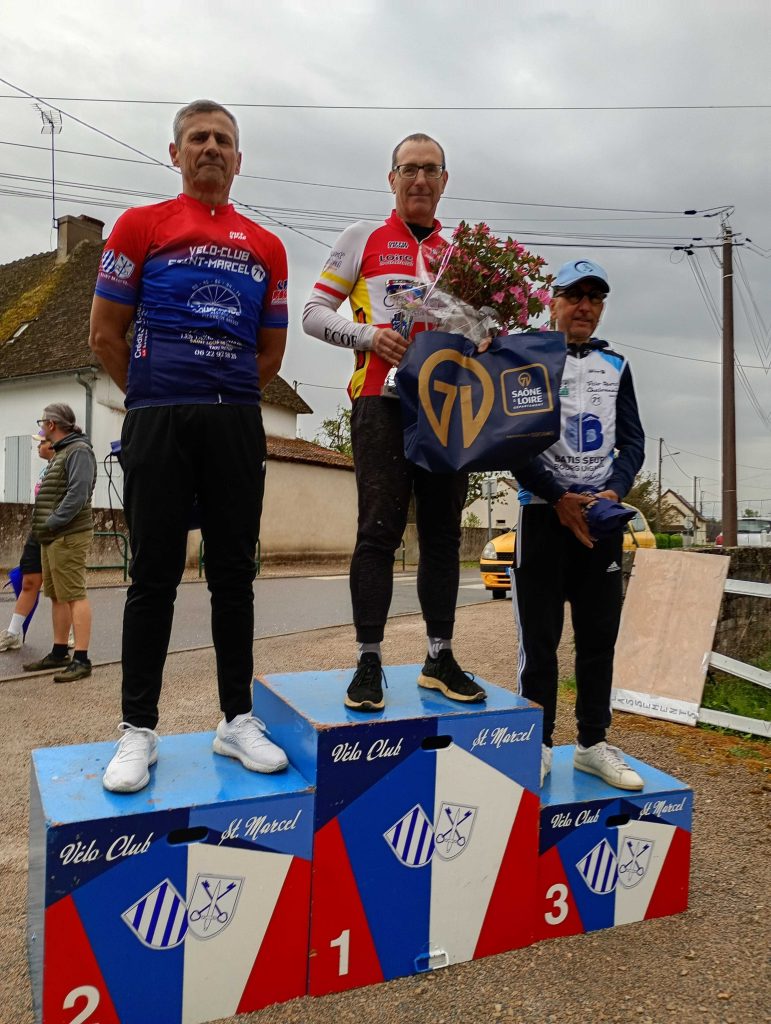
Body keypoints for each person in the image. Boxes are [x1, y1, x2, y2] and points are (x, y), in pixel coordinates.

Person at [89, 100, 289, 793]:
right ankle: (137, 730)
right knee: (153, 575)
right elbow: (104, 335)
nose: (211, 147)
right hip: (158, 420)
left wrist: (219, 394)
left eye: (223, 139)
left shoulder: (267, 246)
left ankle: (235, 719)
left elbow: (270, 353)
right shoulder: (139, 225)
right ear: (174, 154)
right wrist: (157, 392)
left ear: (239, 159)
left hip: (235, 422)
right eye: (198, 137)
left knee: (233, 574)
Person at [303, 133, 485, 711]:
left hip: (445, 408)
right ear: (392, 179)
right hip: (379, 401)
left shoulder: (461, 256)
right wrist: (368, 336)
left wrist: (484, 336)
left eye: (431, 169)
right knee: (378, 531)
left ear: (445, 181)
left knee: (442, 535)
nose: (420, 179)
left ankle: (439, 656)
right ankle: (368, 660)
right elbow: (312, 314)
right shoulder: (363, 238)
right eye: (409, 169)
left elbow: (480, 332)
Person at [511, 259, 645, 790]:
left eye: (595, 298)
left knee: (598, 639)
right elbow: (511, 439)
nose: (585, 306)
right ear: (554, 302)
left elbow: (632, 442)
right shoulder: (528, 357)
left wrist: (614, 490)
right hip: (544, 514)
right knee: (540, 641)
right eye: (574, 296)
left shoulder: (617, 364)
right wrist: (556, 495)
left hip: (599, 520)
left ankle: (592, 744)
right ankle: (539, 745)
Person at [19, 405, 96, 682]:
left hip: (67, 534)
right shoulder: (63, 450)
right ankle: (59, 651)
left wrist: (53, 520)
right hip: (53, 536)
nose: (41, 428)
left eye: (42, 423)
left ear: (51, 424)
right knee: (58, 595)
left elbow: (78, 493)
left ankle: (82, 659)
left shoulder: (78, 451)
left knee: (74, 594)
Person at [0, 431, 74, 653]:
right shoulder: (47, 469)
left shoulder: (68, 466)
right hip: (38, 532)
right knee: (29, 582)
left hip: (58, 533)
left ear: (53, 445)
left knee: (60, 588)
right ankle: (13, 634)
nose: (38, 446)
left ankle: (66, 635)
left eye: (42, 442)